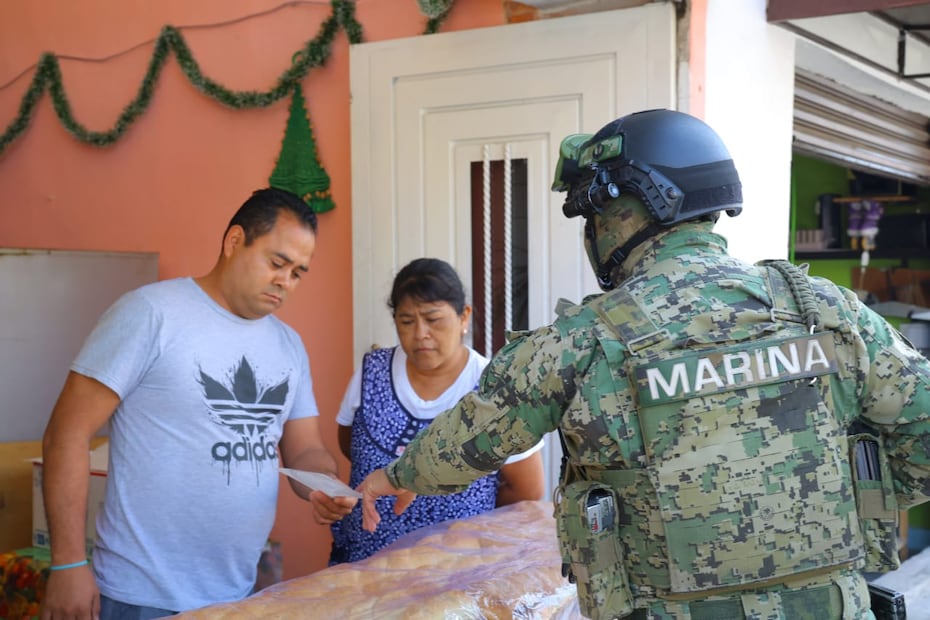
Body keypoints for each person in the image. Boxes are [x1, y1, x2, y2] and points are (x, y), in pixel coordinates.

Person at [356, 109, 930, 619]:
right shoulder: (821, 309)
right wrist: (821, 503)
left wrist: (396, 476)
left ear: (625, 213)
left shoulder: (579, 343)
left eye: (596, 217)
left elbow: (471, 438)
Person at [40, 187, 357, 620]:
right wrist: (69, 563)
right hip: (142, 597)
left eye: (299, 272)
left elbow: (305, 450)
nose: (286, 280)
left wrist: (325, 485)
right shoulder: (152, 314)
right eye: (276, 262)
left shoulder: (288, 345)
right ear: (233, 242)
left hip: (238, 593)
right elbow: (66, 433)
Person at [329, 257, 545, 564]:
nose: (420, 334)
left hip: (454, 571)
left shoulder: (495, 386)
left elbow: (526, 490)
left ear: (463, 317)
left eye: (433, 319)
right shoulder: (371, 372)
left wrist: (465, 512)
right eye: (406, 321)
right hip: (363, 565)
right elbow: (351, 446)